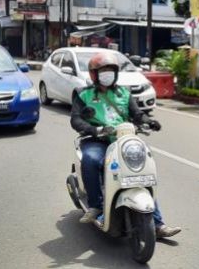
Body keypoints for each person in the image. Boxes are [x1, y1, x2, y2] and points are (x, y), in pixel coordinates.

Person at [70, 51, 181, 238]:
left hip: (124, 141)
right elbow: (76, 120)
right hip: (98, 140)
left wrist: (148, 121)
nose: (107, 74)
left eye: (110, 70)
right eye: (103, 70)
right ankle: (96, 205)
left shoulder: (123, 93)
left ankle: (158, 224)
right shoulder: (84, 94)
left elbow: (137, 114)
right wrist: (94, 130)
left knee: (141, 174)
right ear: (94, 74)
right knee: (90, 160)